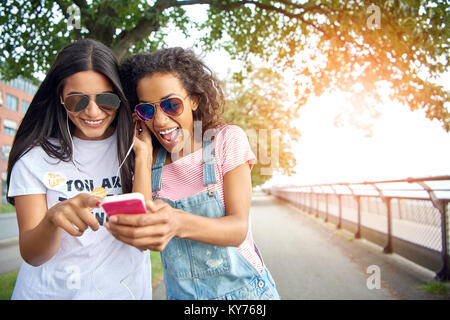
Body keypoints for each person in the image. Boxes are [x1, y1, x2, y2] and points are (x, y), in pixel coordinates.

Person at [109, 47, 280, 300]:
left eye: (171, 105)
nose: (160, 121)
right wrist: (143, 157)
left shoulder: (226, 140)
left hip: (245, 296)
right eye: (147, 110)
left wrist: (177, 222)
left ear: (194, 100)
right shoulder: (149, 160)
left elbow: (237, 229)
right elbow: (143, 233)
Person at [6, 38, 153, 299]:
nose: (94, 111)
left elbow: (142, 233)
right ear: (60, 98)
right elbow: (32, 255)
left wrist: (142, 158)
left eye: (106, 99)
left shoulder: (137, 145)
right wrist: (53, 220)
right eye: (78, 101)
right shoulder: (34, 158)